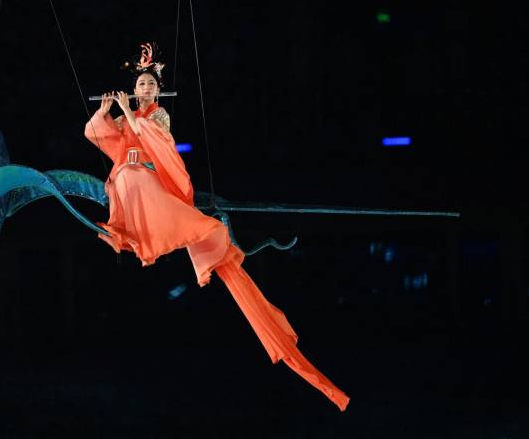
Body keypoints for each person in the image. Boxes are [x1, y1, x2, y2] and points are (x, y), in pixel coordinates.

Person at [84, 43, 350, 411]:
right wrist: (104, 112)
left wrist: (129, 113)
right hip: (125, 177)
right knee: (120, 180)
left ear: (157, 90)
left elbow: (149, 136)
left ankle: (148, 231)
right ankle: (127, 231)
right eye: (140, 84)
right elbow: (101, 136)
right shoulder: (130, 113)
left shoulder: (158, 116)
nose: (144, 89)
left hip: (149, 179)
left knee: (134, 180)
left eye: (149, 84)